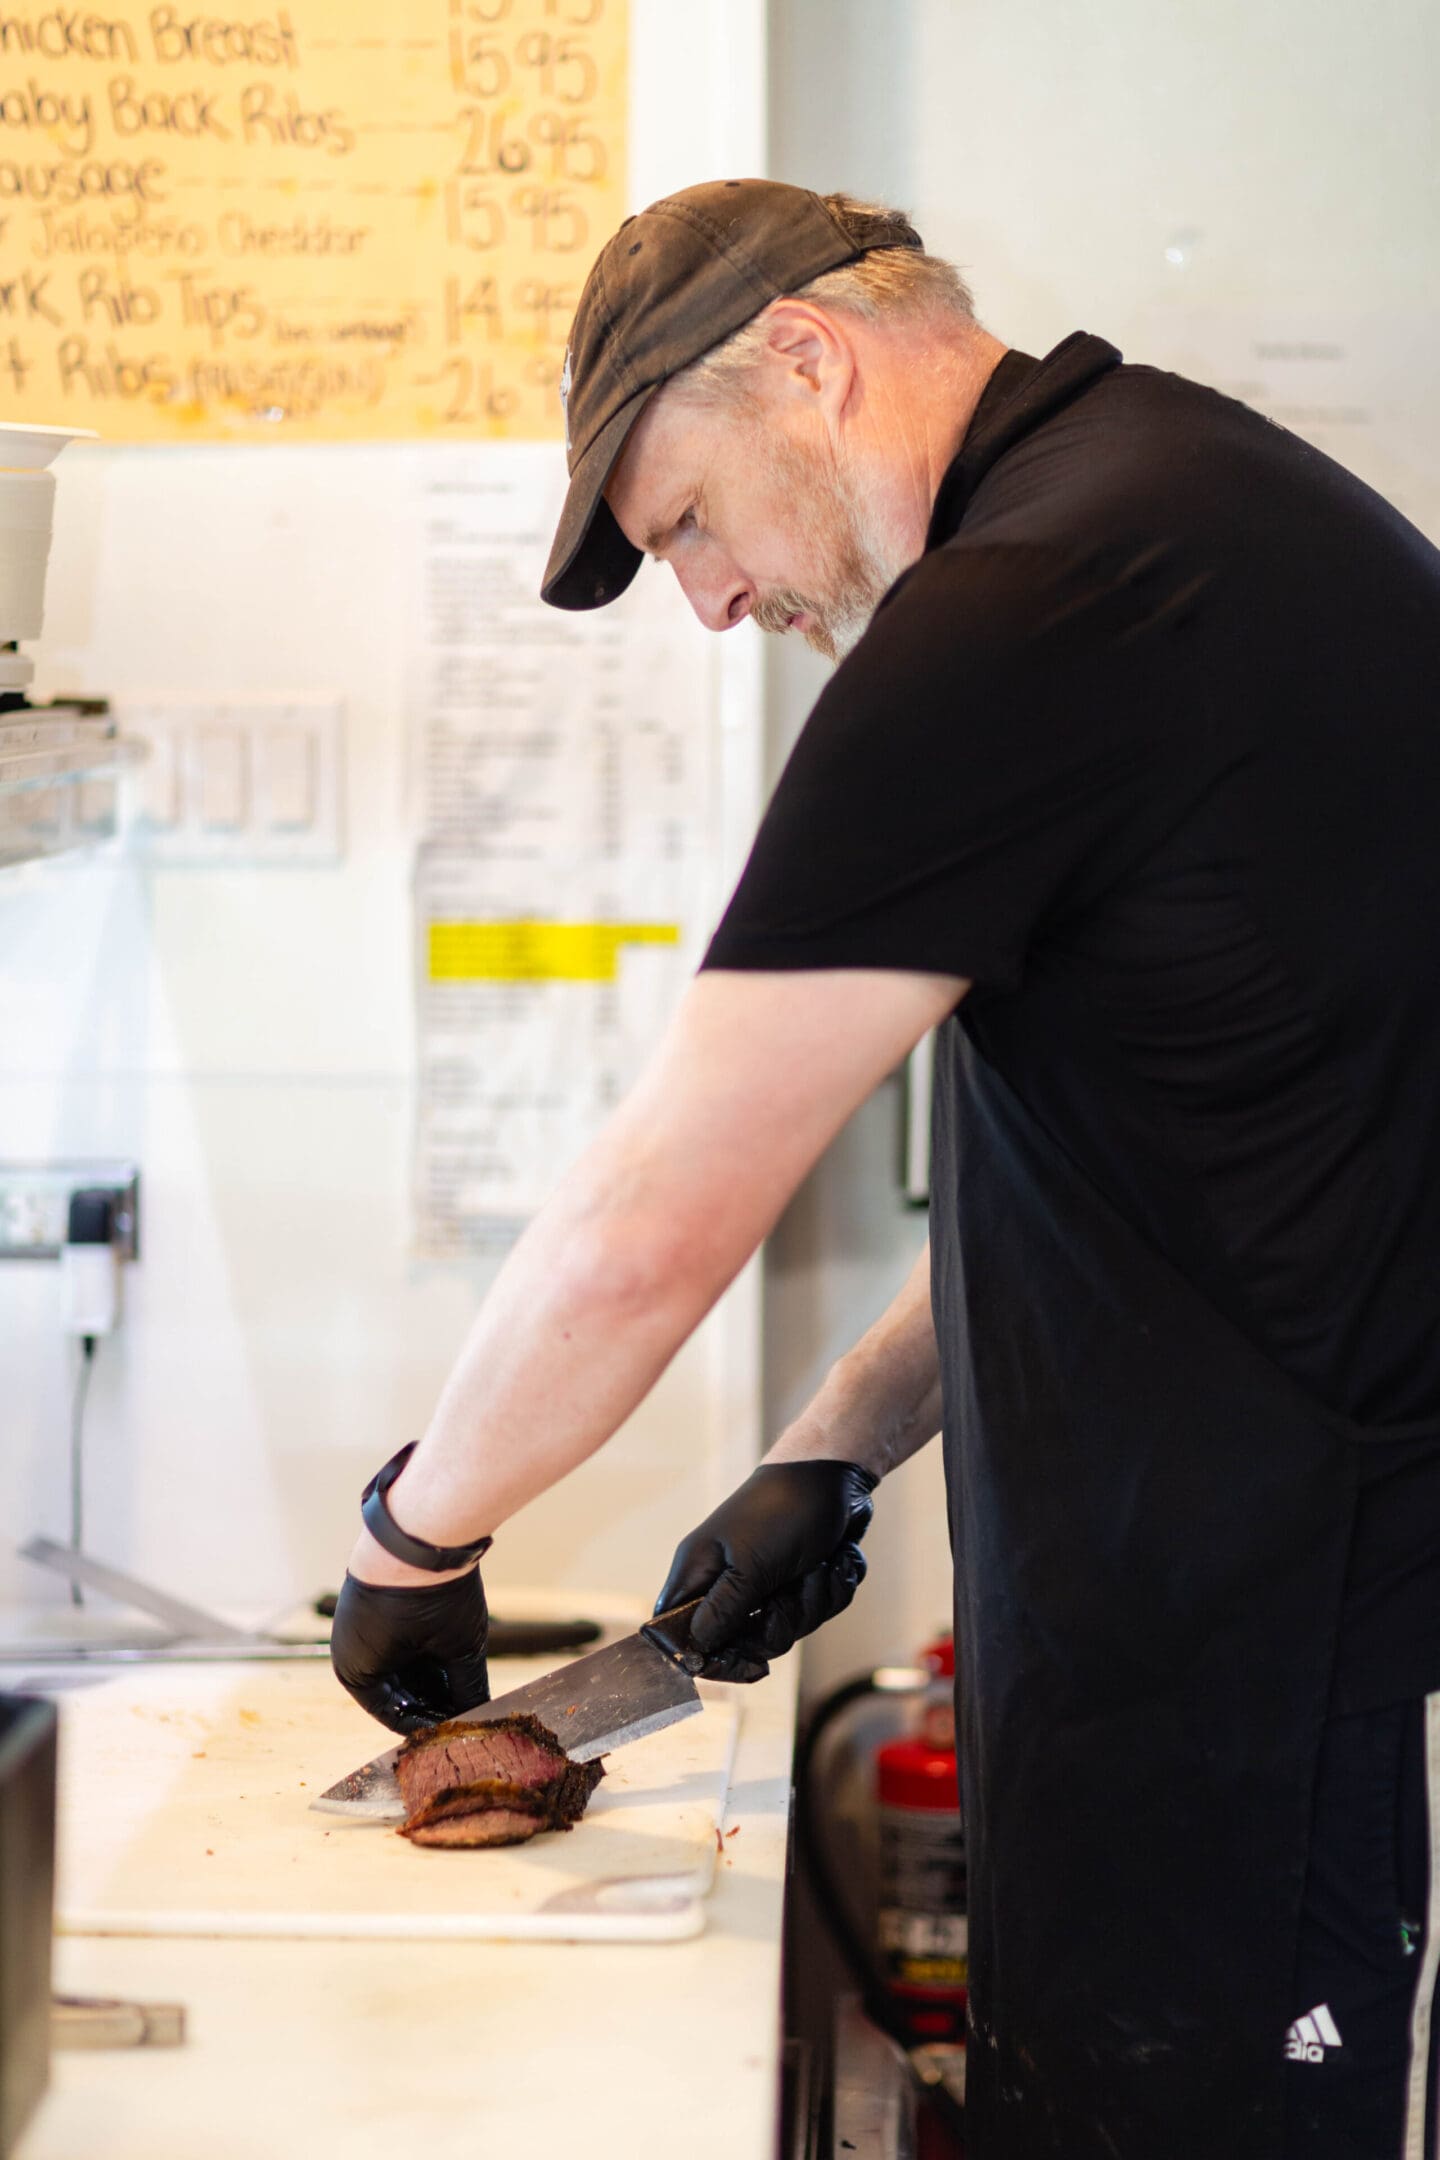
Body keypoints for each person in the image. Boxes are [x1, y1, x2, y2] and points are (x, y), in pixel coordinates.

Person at [329, 180, 1440, 2160]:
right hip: (1197, 1623)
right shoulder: (1156, 504)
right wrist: (834, 1446)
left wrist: (413, 1539)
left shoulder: (1023, 609)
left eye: (684, 522)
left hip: (1240, 1660)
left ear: (805, 363)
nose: (716, 599)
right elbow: (1157, 1148)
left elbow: (659, 1209)